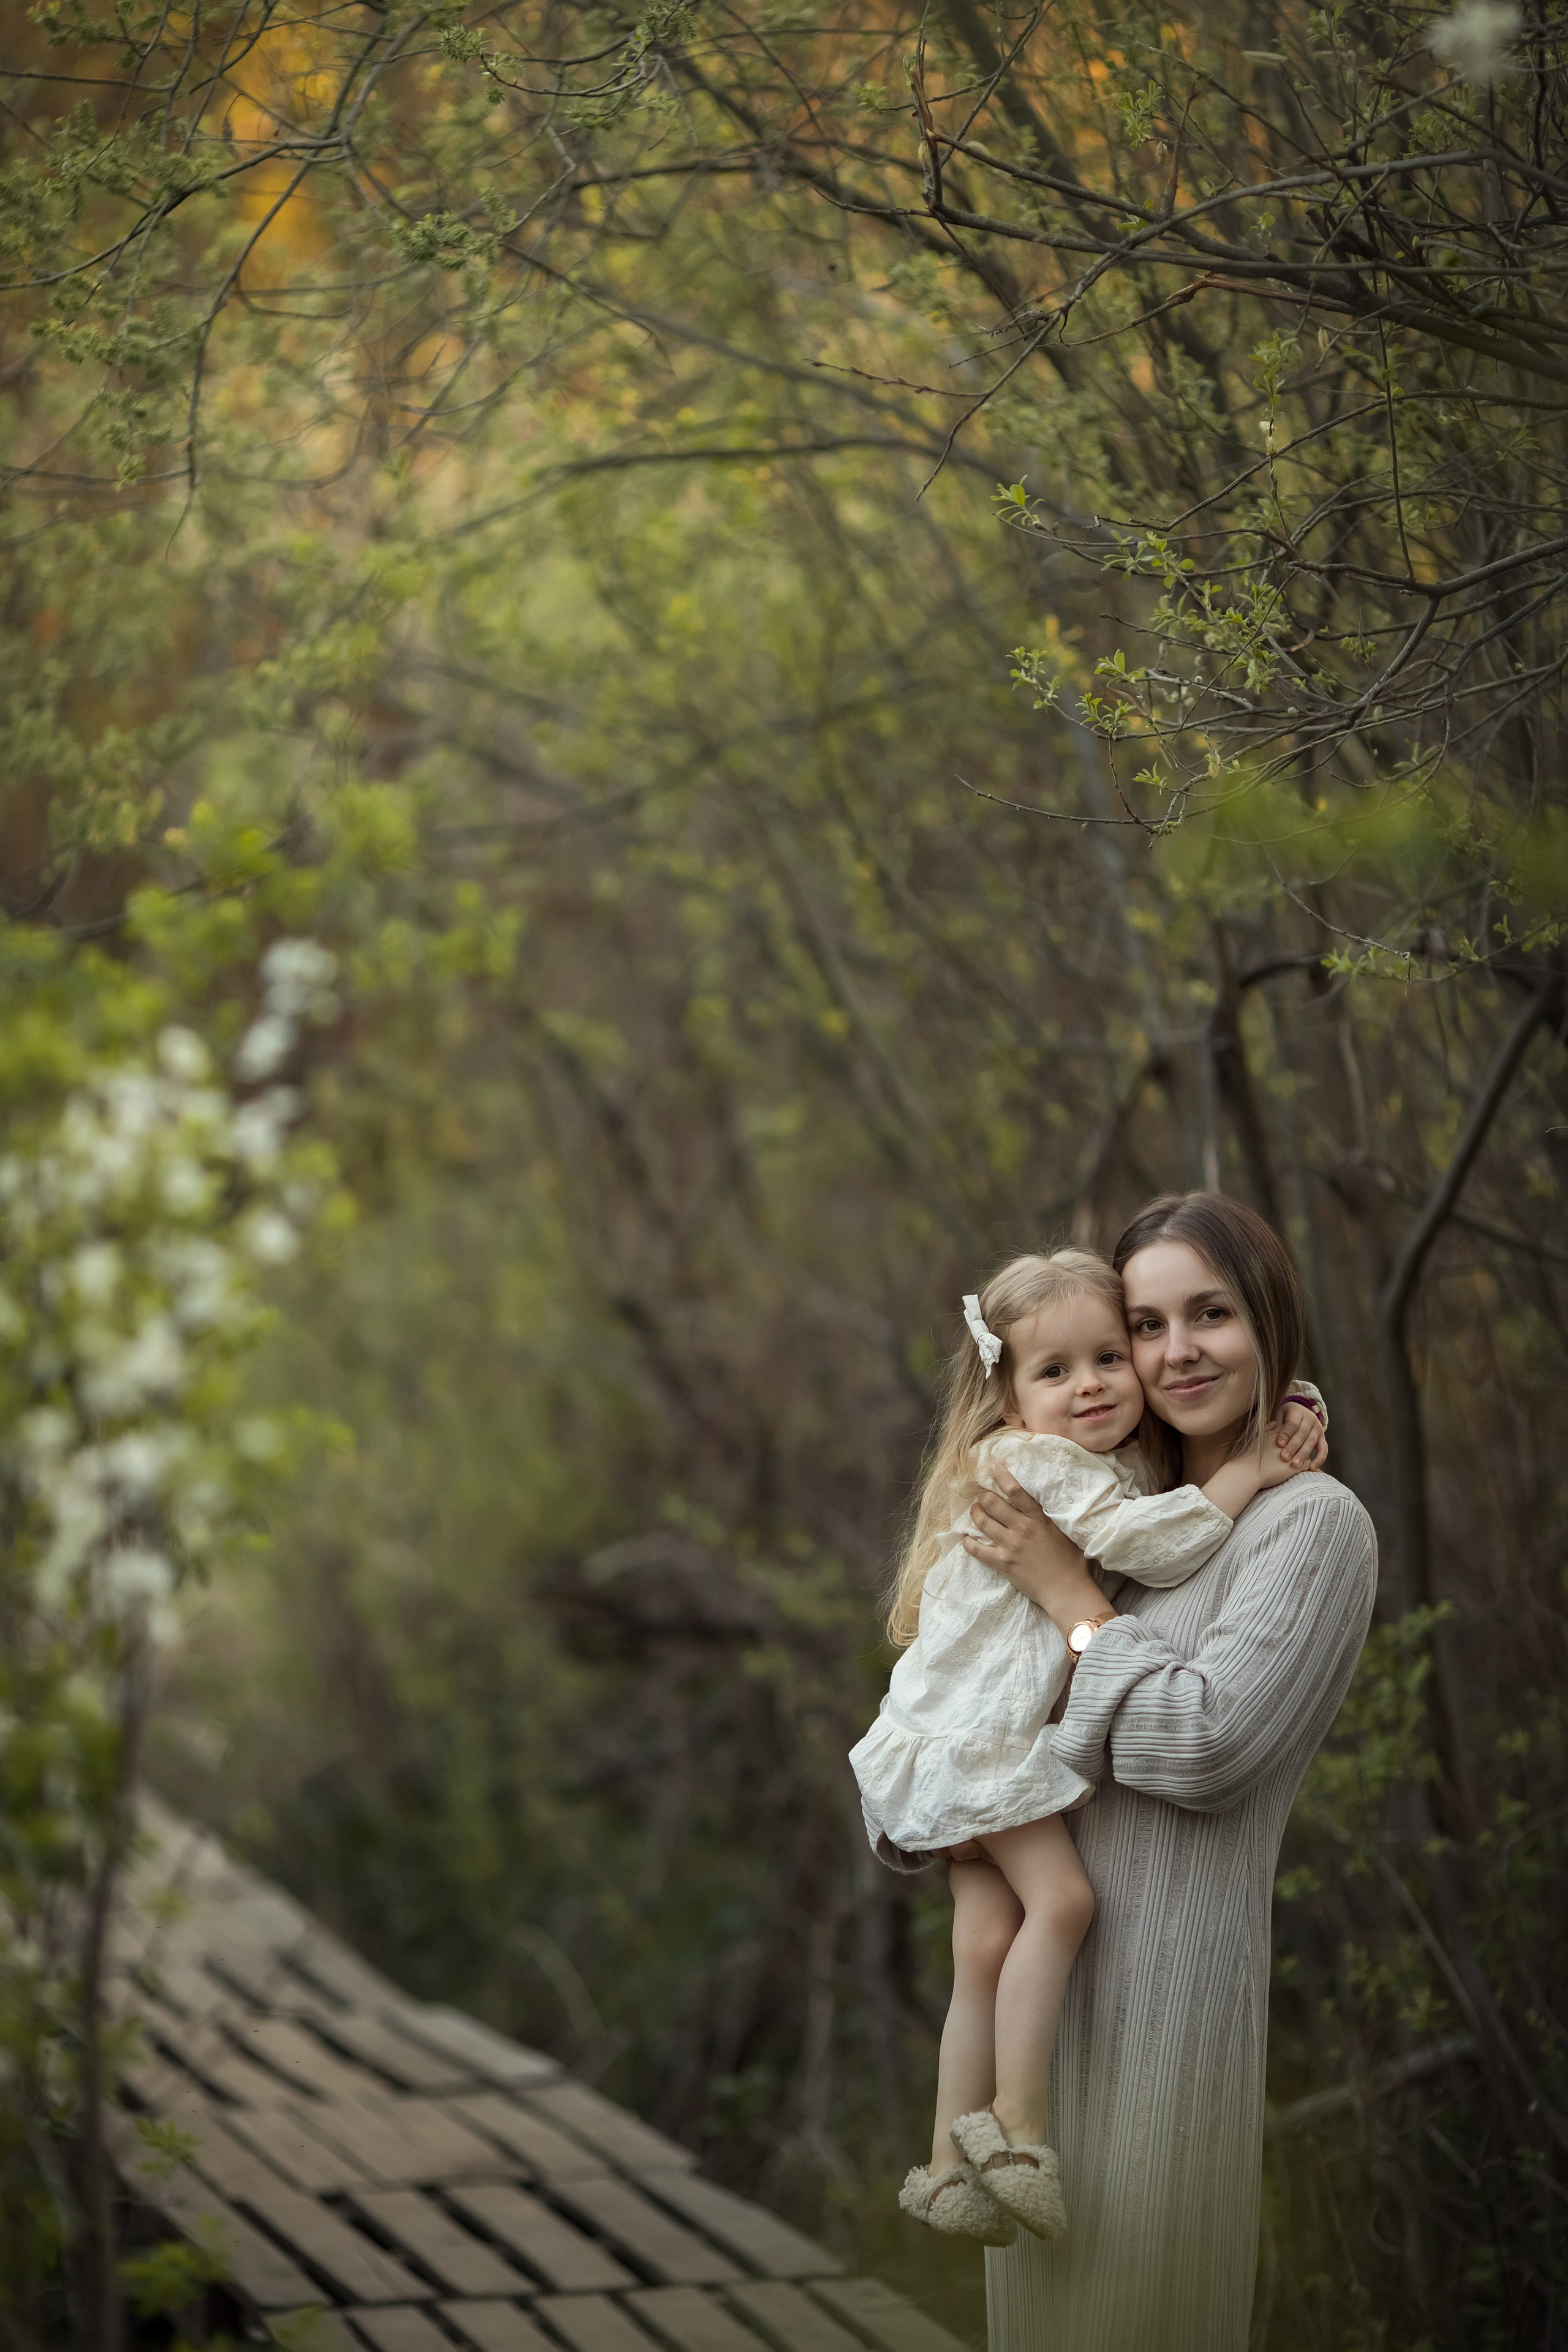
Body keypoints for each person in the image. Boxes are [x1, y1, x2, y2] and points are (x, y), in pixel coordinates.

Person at [961, 1194, 1377, 2352]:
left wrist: (1073, 1608)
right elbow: (983, 1713)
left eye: (1213, 1313)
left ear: (1271, 1321)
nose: (1177, 1349)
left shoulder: (1313, 1530)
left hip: (1172, 2012)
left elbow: (1200, 1746)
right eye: (1146, 1325)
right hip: (1036, 2039)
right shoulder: (1116, 1513)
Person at [850, 1246, 1329, 2244]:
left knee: (982, 1944)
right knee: (1062, 1904)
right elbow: (1157, 1543)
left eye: (1111, 1356)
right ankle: (1016, 2136)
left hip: (948, 1755)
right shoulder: (1041, 1466)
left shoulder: (1050, 1462)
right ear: (1011, 1398)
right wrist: (1250, 1468)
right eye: (1055, 1372)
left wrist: (1275, 1409)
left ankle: (944, 2164)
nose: (1094, 1386)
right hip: (990, 1753)